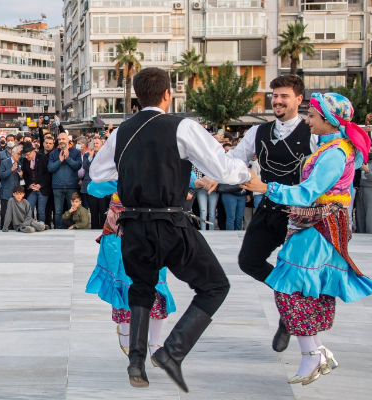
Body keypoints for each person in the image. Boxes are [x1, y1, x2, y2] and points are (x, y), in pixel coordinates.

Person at [90, 67, 251, 390]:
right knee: (215, 286)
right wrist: (246, 175)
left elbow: (96, 173)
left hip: (133, 225)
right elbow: (220, 167)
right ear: (168, 94)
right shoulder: (182, 126)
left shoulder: (123, 131)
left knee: (141, 287)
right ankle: (172, 352)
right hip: (169, 221)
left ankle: (136, 360)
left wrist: (134, 173)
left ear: (137, 96)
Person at [241, 92, 372, 386]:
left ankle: (313, 353)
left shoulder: (335, 152)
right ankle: (313, 353)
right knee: (295, 286)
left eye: (313, 116)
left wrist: (265, 186)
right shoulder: (333, 148)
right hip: (317, 223)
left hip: (320, 224)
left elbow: (309, 191)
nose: (307, 121)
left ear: (329, 120)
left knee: (291, 285)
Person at [225, 75, 318, 352]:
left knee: (297, 271)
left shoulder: (312, 133)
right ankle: (288, 302)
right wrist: (213, 176)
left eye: (284, 96)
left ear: (299, 99)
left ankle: (290, 319)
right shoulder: (258, 132)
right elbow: (235, 160)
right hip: (269, 209)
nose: (277, 100)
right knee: (249, 261)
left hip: (299, 215)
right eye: (274, 95)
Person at [85, 180, 177, 366]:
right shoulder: (120, 165)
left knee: (156, 286)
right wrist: (120, 179)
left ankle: (155, 344)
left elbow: (183, 176)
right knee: (126, 285)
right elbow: (93, 188)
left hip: (153, 232)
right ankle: (126, 331)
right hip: (120, 236)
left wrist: (193, 184)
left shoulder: (160, 161)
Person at [48, 132, 82, 229]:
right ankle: (58, 228)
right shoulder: (53, 153)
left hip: (71, 186)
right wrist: (60, 160)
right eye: (59, 139)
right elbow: (50, 168)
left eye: (63, 139)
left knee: (73, 209)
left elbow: (78, 166)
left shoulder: (76, 152)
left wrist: (68, 158)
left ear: (68, 140)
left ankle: (72, 227)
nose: (61, 141)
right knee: (58, 211)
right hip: (57, 187)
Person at [21, 142, 50, 223]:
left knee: (41, 210)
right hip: (31, 189)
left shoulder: (43, 157)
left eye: (28, 154)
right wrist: (29, 185)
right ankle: (31, 224)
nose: (26, 157)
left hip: (42, 188)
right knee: (29, 208)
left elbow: (48, 174)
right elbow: (25, 175)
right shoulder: (25, 160)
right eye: (25, 155)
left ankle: (41, 226)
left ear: (33, 151)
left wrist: (40, 185)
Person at [356, 145, 372, 233]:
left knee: (370, 217)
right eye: (368, 150)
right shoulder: (360, 162)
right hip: (360, 190)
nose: (369, 153)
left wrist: (367, 171)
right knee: (360, 216)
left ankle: (370, 236)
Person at [0, 145, 23, 229]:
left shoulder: (20, 164)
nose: (19, 156)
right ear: (12, 153)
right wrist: (11, 170)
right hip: (6, 191)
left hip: (16, 193)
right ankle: (4, 227)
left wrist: (21, 176)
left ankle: (14, 227)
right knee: (4, 212)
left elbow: (22, 180)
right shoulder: (4, 162)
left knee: (15, 212)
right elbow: (1, 175)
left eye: (20, 154)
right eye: (17, 154)